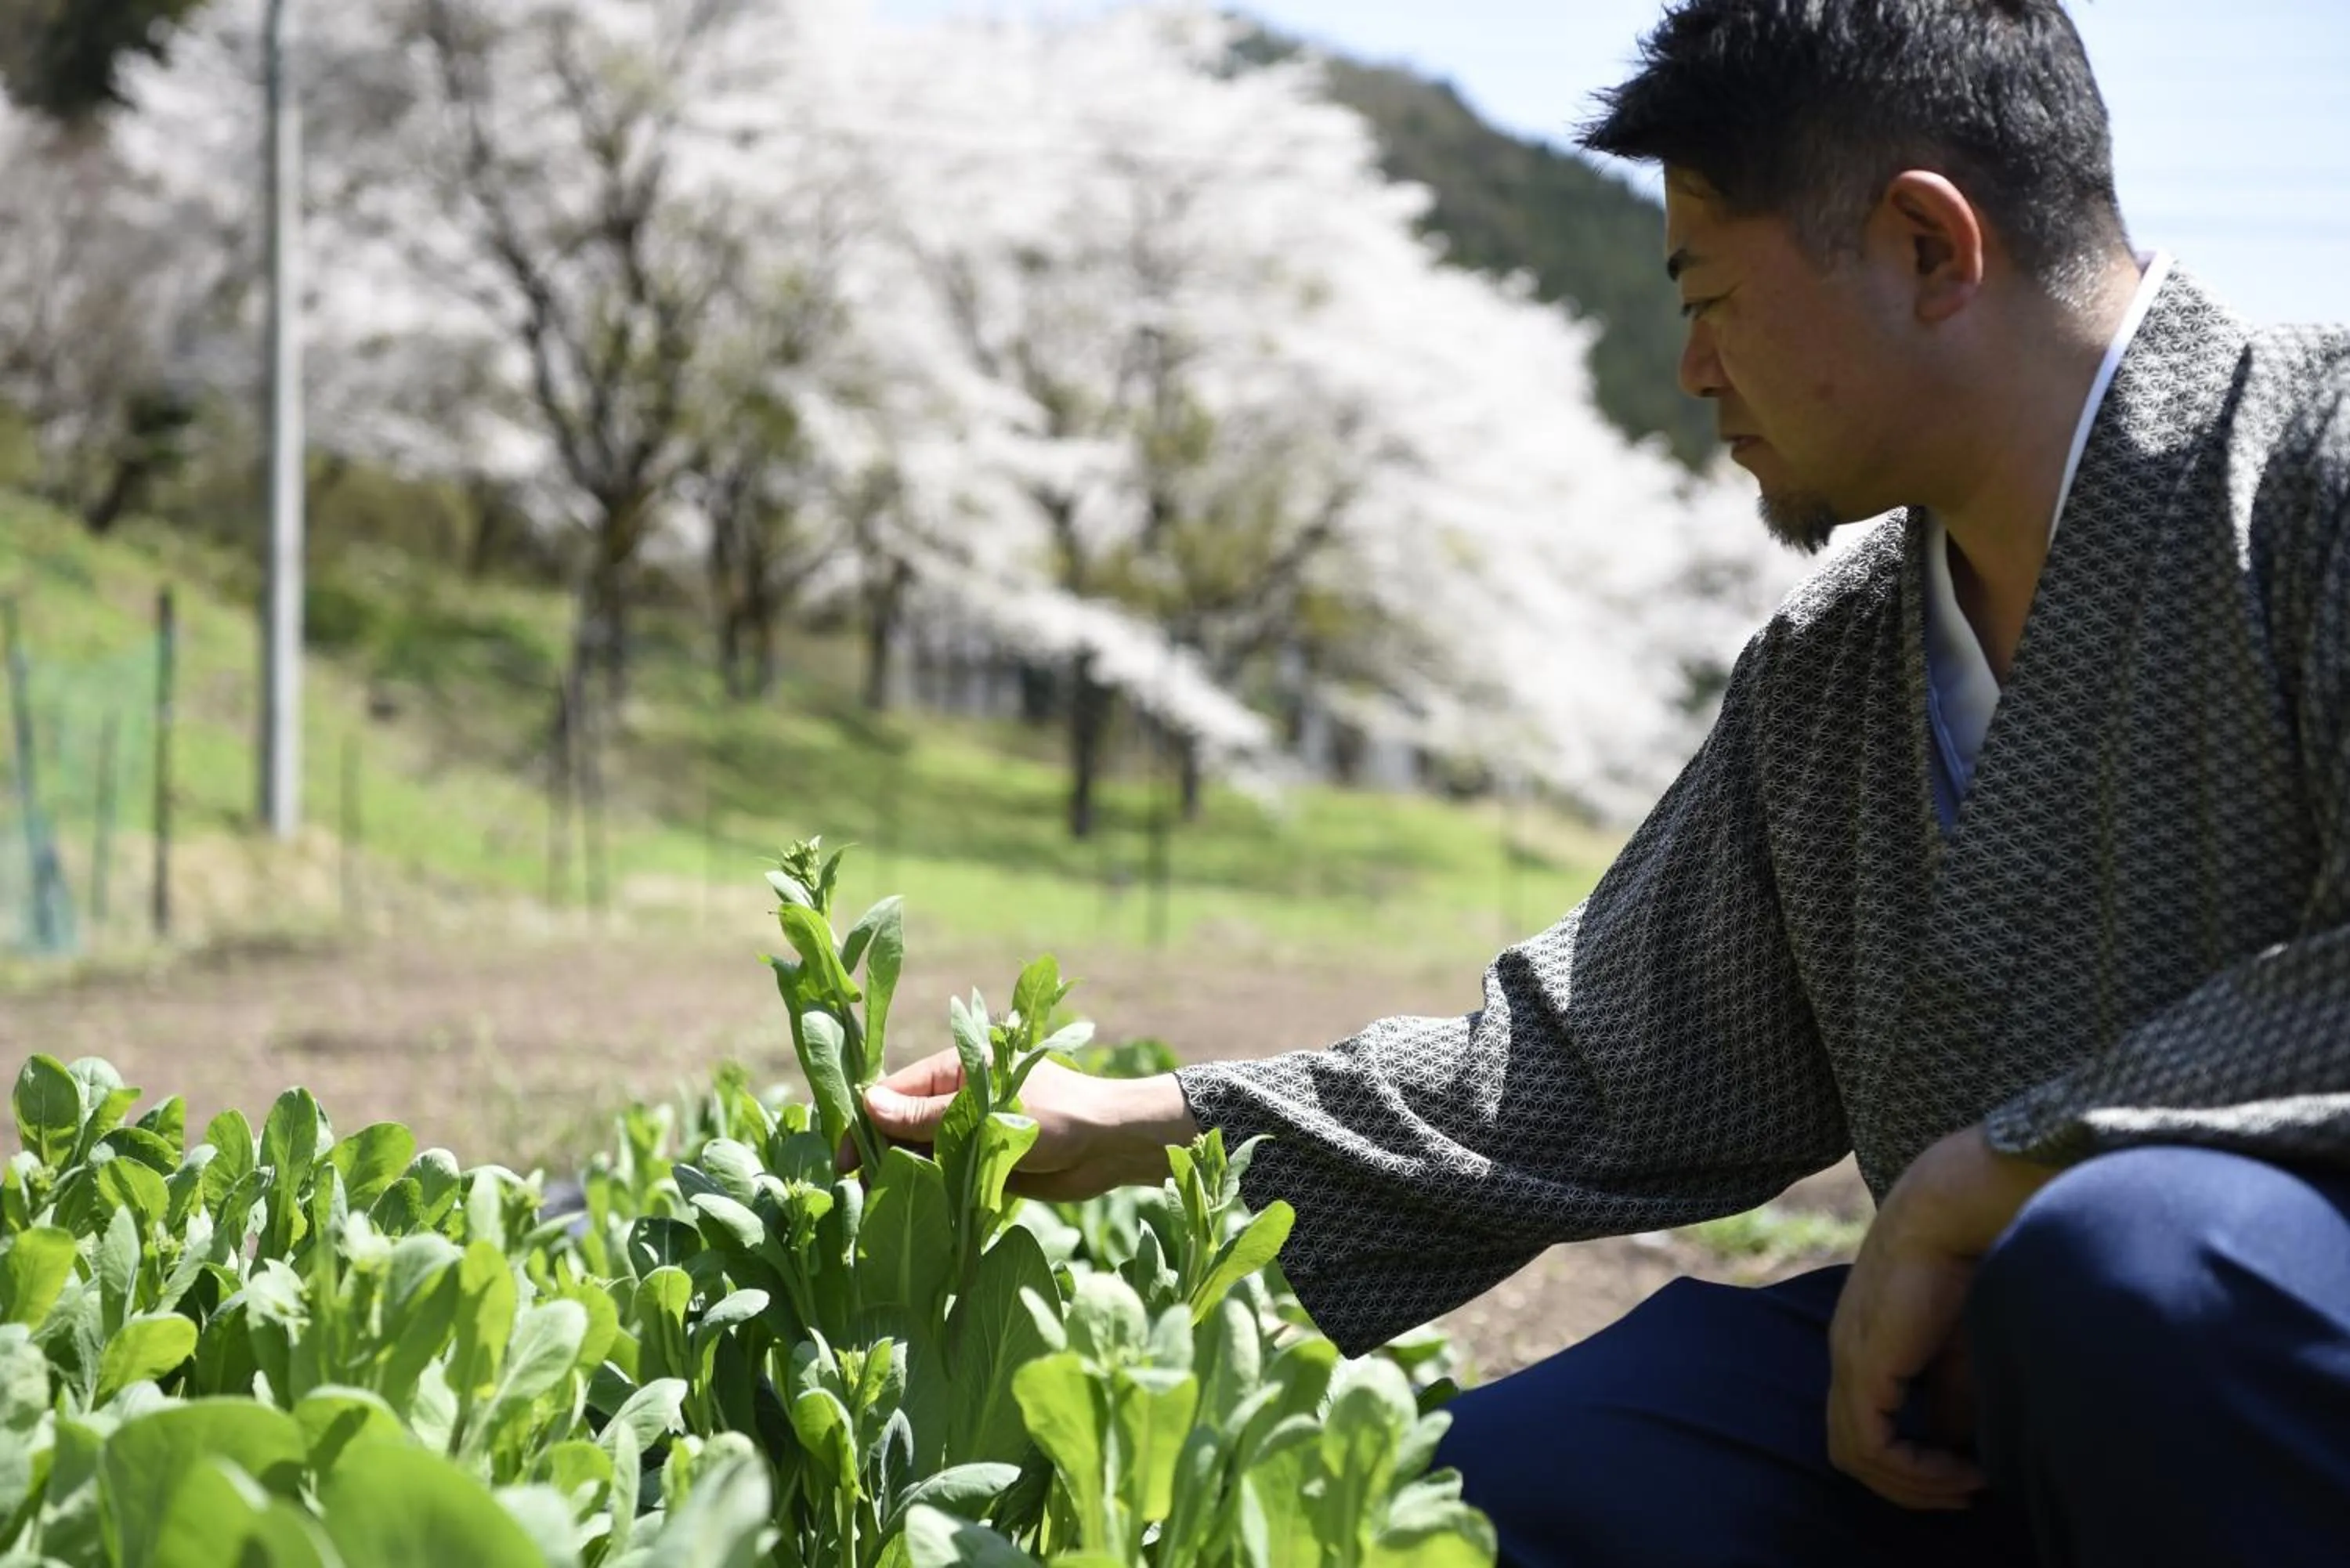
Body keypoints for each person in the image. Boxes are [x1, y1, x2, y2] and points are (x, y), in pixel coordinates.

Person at [863, 2, 2350, 1563]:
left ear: (1928, 246)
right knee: (1508, 1479)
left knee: (2132, 1260)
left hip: (2238, 1344)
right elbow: (1578, 1071)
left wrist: (2009, 1163)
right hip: (1951, 1401)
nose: (1694, 366)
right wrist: (1142, 1126)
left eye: (1710, 297)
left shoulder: (2314, 470)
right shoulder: (1837, 667)